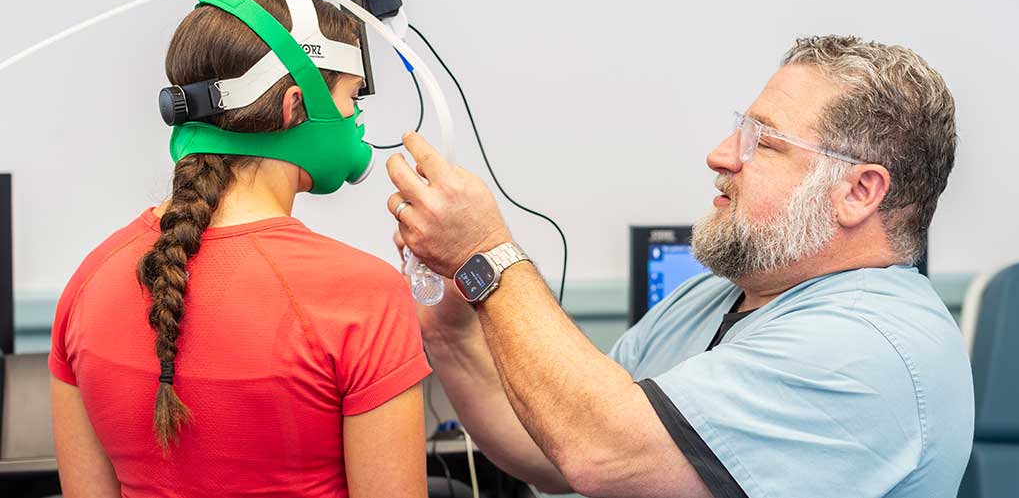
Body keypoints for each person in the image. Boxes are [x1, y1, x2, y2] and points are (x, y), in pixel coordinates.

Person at [386, 35, 974, 497]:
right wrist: (451, 329)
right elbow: (552, 447)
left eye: (763, 143)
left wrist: (487, 256)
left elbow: (598, 451)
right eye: (740, 128)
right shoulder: (717, 298)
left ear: (859, 191)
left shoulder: (869, 348)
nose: (721, 154)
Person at [49, 0, 430, 498]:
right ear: (296, 106)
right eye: (351, 94)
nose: (356, 116)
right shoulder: (364, 297)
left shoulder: (88, 283)